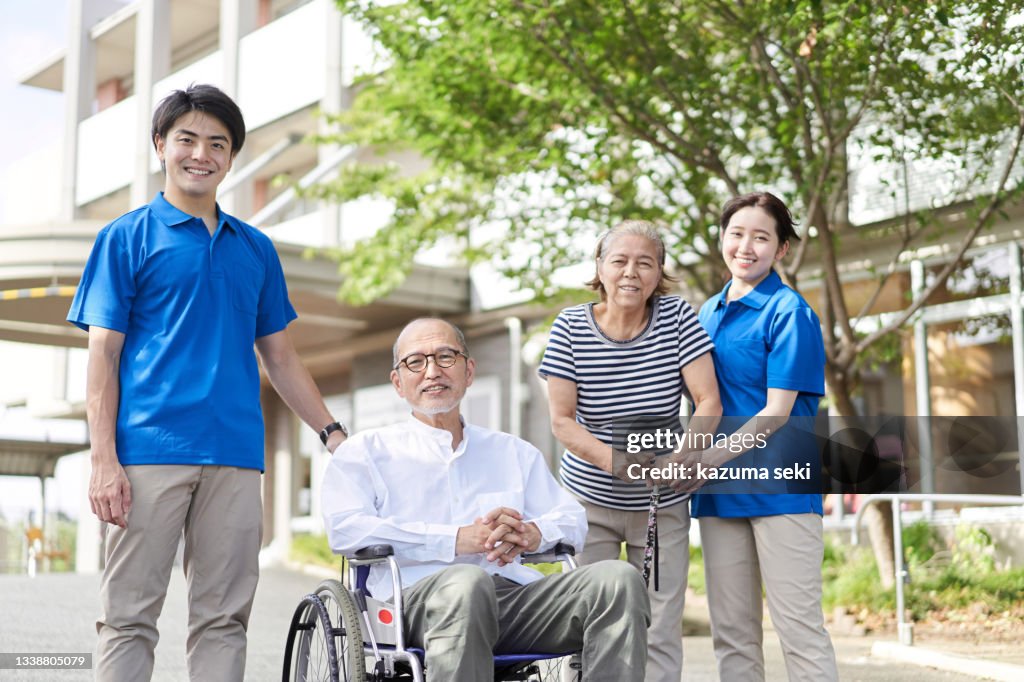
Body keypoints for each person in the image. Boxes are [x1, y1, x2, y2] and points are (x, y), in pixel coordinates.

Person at [67, 84, 349, 682]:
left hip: (236, 458)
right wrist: (102, 460)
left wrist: (332, 434)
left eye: (217, 144)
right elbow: (103, 357)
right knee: (128, 617)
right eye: (187, 139)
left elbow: (281, 356)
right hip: (146, 454)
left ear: (231, 157)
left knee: (224, 619)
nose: (202, 153)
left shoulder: (256, 249)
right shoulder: (127, 236)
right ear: (161, 146)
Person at [322, 318, 650, 681]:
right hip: (412, 603)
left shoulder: (513, 451)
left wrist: (531, 533)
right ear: (398, 382)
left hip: (512, 601)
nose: (432, 371)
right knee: (466, 581)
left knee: (618, 579)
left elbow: (573, 519)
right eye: (416, 362)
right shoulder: (365, 452)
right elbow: (345, 529)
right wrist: (453, 540)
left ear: (469, 371)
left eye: (446, 357)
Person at [538, 220, 721, 682]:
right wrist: (616, 463)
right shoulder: (570, 326)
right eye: (619, 261)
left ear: (660, 272)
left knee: (659, 623)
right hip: (589, 498)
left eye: (645, 262)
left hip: (662, 501)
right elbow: (562, 421)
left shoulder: (678, 317)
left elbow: (708, 401)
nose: (631, 273)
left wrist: (687, 454)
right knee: (590, 619)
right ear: (599, 268)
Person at [684, 191, 839, 681]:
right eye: (736, 234)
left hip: (781, 490)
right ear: (722, 240)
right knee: (732, 633)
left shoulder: (789, 312)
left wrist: (705, 461)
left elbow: (777, 412)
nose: (746, 246)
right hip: (720, 497)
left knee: (798, 630)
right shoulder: (705, 314)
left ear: (781, 249)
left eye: (761, 237)